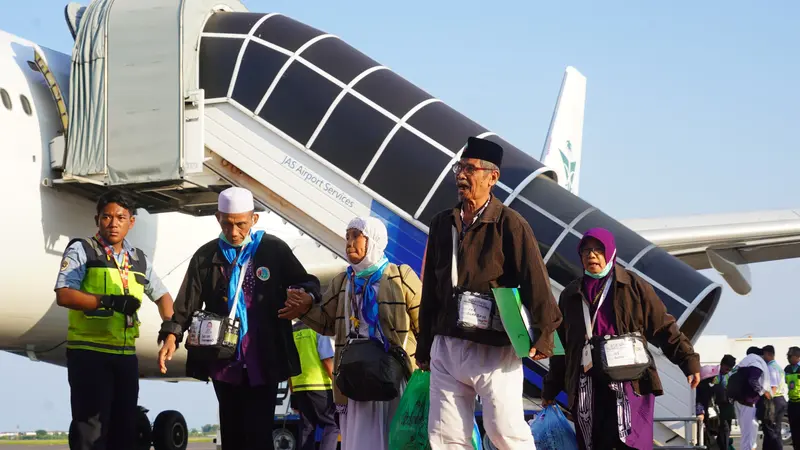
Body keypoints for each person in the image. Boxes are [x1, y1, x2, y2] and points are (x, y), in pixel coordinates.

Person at [415, 136, 562, 450]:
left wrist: (545, 332)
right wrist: (424, 343)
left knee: (505, 432)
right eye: (460, 167)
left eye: (470, 168)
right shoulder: (443, 224)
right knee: (445, 436)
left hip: (494, 346)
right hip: (448, 342)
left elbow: (535, 279)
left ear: (492, 178)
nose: (461, 175)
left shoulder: (510, 224)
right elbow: (431, 287)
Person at [157, 187, 321, 450]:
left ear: (254, 220)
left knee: (258, 435)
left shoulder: (273, 250)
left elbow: (308, 282)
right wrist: (172, 335)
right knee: (232, 433)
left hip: (263, 358)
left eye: (241, 224)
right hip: (223, 360)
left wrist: (306, 297)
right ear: (217, 218)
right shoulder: (205, 256)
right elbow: (186, 302)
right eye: (227, 224)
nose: (233, 232)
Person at [542, 227, 701, 450]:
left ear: (610, 252)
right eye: (586, 251)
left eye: (598, 250)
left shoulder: (633, 286)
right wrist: (550, 388)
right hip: (588, 386)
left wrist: (688, 361)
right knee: (594, 444)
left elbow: (663, 326)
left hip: (630, 382)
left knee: (631, 443)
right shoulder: (571, 294)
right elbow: (562, 347)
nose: (591, 255)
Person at [279, 216, 422, 450]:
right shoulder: (343, 281)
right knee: (360, 438)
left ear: (374, 240)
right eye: (347, 237)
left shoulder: (399, 276)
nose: (349, 243)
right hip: (357, 376)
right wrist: (305, 308)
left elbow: (423, 322)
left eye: (356, 236)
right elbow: (326, 322)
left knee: (397, 436)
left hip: (394, 375)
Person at [54, 189, 174, 450]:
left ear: (131, 222)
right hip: (89, 354)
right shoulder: (83, 249)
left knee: (124, 431)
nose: (113, 223)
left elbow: (163, 296)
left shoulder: (138, 259)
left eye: (121, 217)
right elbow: (64, 294)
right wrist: (106, 301)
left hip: (124, 356)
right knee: (91, 432)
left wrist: (170, 327)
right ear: (97, 219)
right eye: (107, 217)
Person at [289, 319, 339, 450]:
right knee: (332, 424)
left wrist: (292, 392)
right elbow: (326, 359)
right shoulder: (318, 328)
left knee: (307, 427)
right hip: (319, 385)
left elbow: (289, 365)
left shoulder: (291, 332)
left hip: (299, 386)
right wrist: (337, 385)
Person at [728, 346, 771, 450]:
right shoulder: (756, 364)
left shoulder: (741, 365)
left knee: (746, 431)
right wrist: (763, 392)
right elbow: (753, 380)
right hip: (748, 402)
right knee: (749, 432)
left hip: (738, 401)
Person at [762, 345, 788, 450]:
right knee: (775, 429)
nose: (762, 357)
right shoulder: (778, 367)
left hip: (774, 400)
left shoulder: (771, 368)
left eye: (763, 355)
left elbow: (773, 387)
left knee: (771, 429)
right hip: (780, 399)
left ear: (768, 354)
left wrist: (768, 401)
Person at [714, 355, 737, 450]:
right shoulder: (714, 374)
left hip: (727, 407)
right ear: (722, 364)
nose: (727, 371)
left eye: (729, 369)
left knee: (726, 430)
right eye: (726, 368)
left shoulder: (730, 375)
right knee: (722, 430)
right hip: (717, 407)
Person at [786, 346, 800, 449]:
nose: (788, 358)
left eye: (790, 356)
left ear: (797, 357)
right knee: (794, 431)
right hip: (792, 403)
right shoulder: (787, 369)